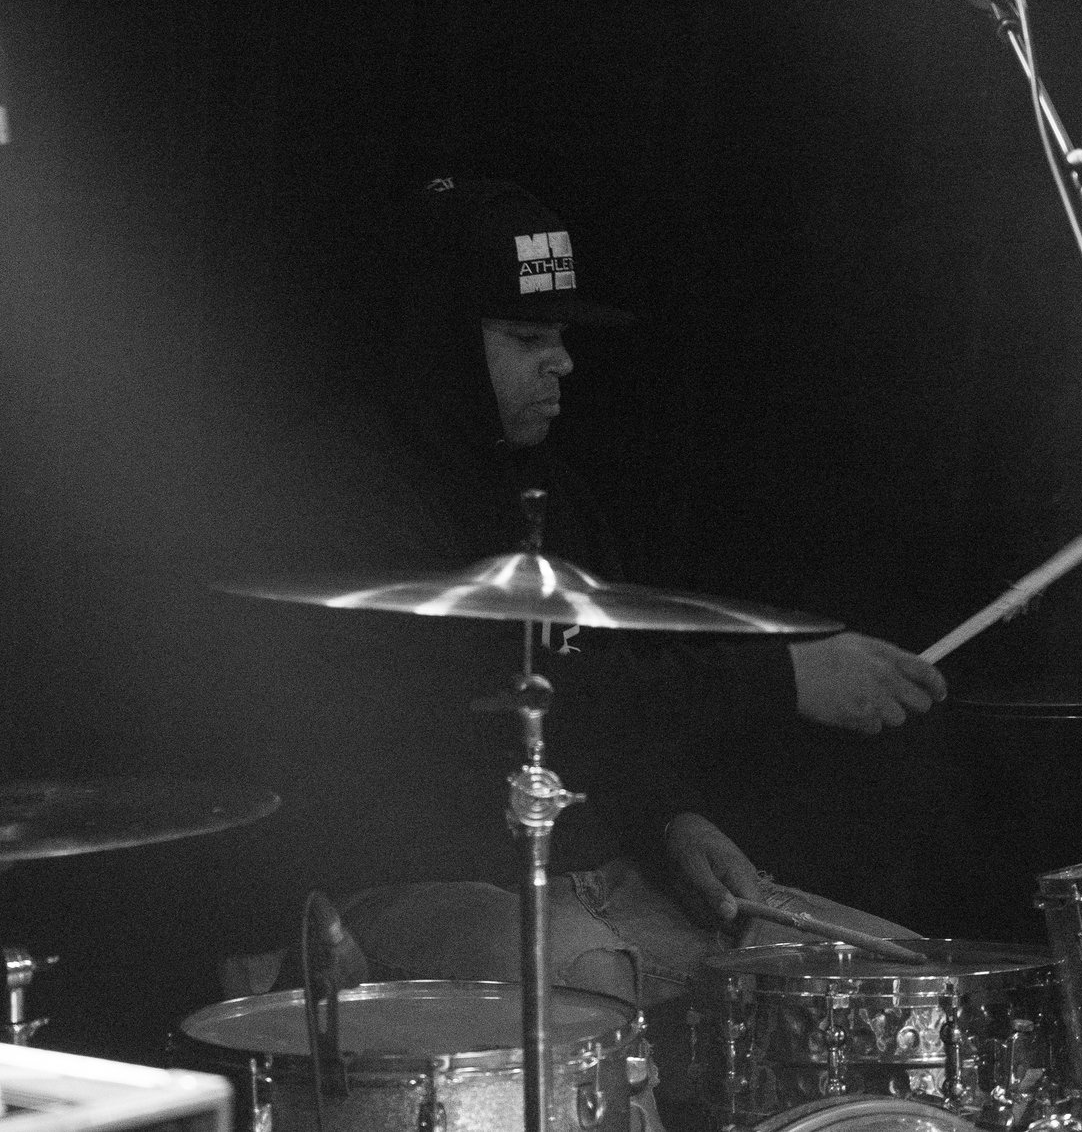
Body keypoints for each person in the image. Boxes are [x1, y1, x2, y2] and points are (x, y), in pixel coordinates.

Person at [220, 176, 949, 1127]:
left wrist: (670, 820)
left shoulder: (559, 494)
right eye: (528, 339)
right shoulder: (348, 501)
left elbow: (605, 693)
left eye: (561, 336)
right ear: (444, 343)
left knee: (896, 982)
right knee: (588, 979)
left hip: (599, 871)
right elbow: (508, 704)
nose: (561, 362)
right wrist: (781, 678)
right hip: (406, 881)